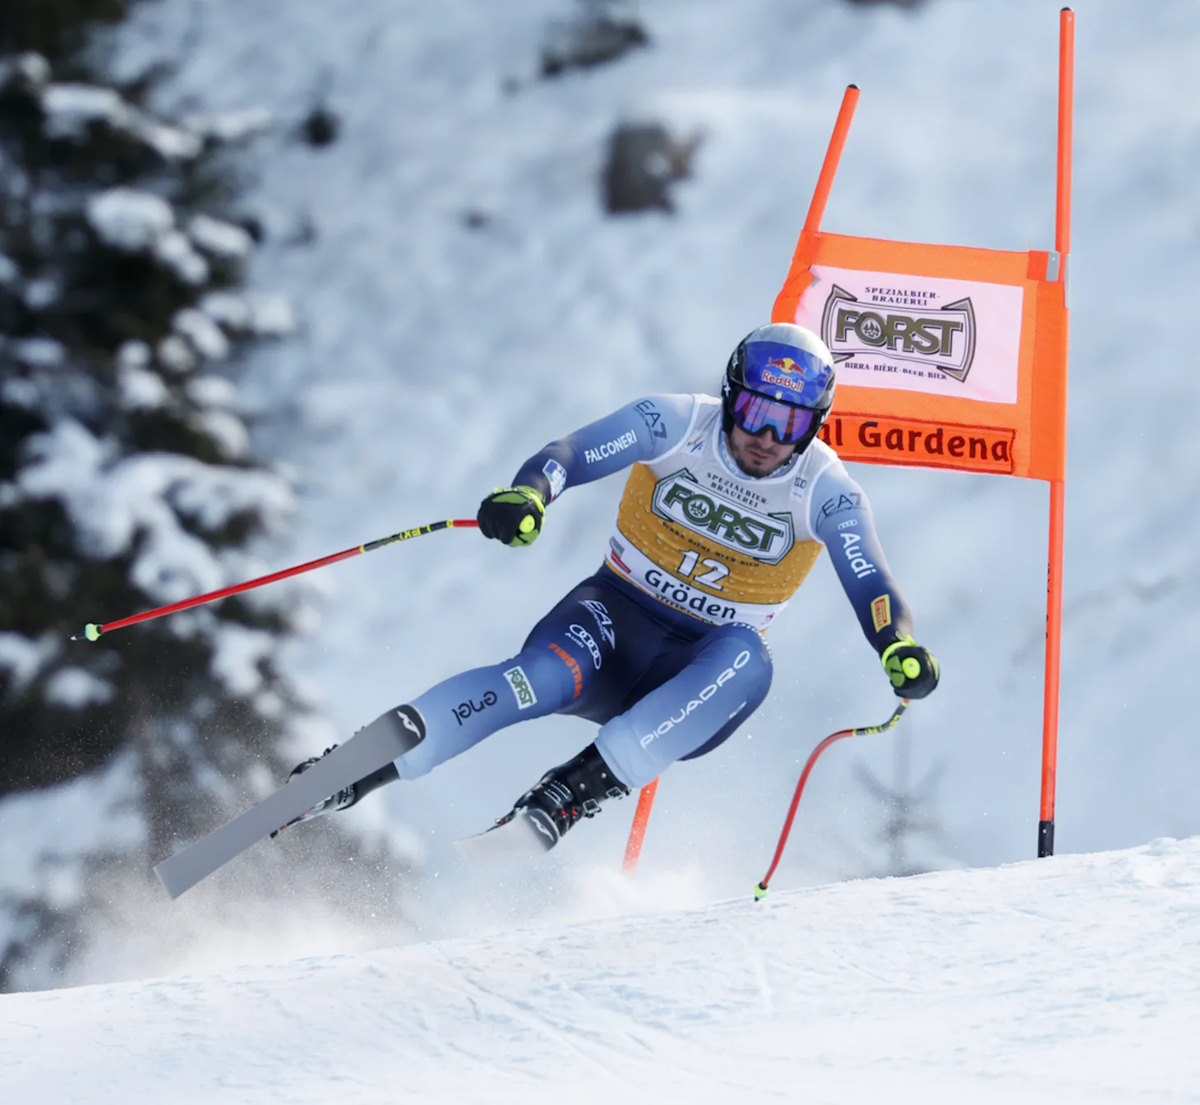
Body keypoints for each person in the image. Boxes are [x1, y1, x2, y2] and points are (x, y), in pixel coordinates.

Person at [278, 322, 939, 850]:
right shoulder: (677, 422)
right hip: (612, 621)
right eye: (757, 410)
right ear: (733, 395)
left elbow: (870, 577)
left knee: (749, 660)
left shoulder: (824, 487)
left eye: (790, 422)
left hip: (698, 675)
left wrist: (895, 644)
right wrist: (529, 494)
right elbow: (570, 453)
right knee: (531, 679)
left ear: (814, 425)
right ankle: (354, 770)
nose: (766, 436)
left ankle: (575, 790)